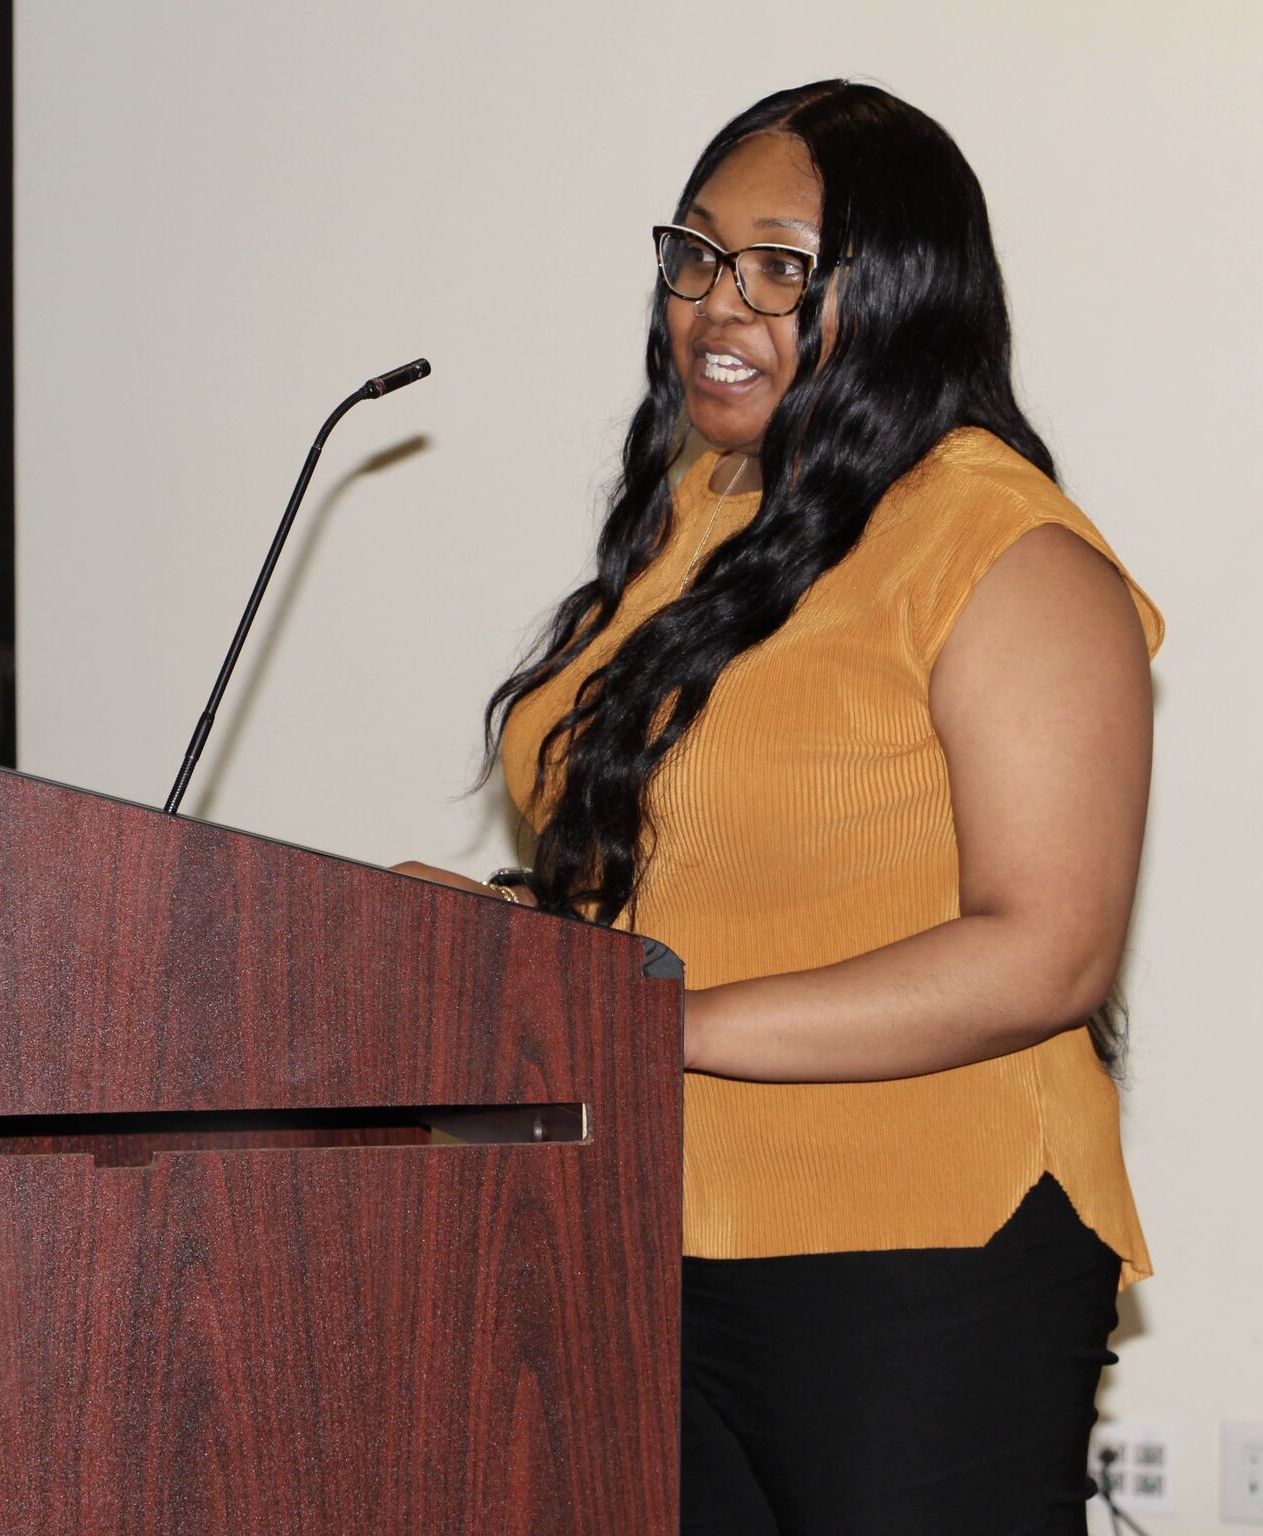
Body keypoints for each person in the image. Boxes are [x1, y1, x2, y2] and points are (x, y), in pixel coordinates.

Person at [397, 78, 1163, 1534]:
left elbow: (1047, 949)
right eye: (693, 254)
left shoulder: (1007, 551)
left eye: (777, 267)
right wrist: (494, 944)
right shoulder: (699, 516)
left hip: (922, 1257)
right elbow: (688, 869)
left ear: (906, 293)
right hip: (640, 1231)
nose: (713, 304)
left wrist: (644, 1030)